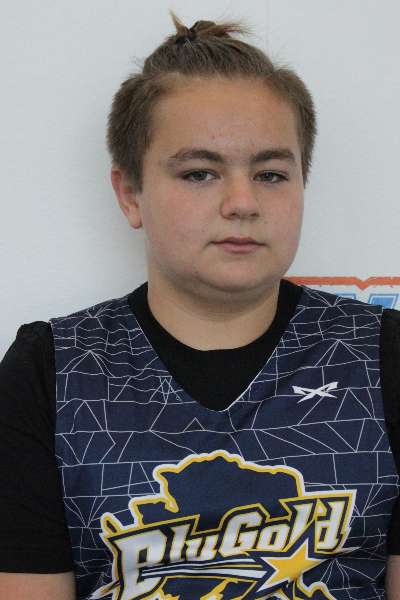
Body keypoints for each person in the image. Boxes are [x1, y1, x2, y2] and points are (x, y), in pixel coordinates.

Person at [0, 13, 400, 600]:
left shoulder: (383, 355)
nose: (242, 202)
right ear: (129, 193)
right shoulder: (51, 369)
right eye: (200, 173)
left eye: (270, 174)